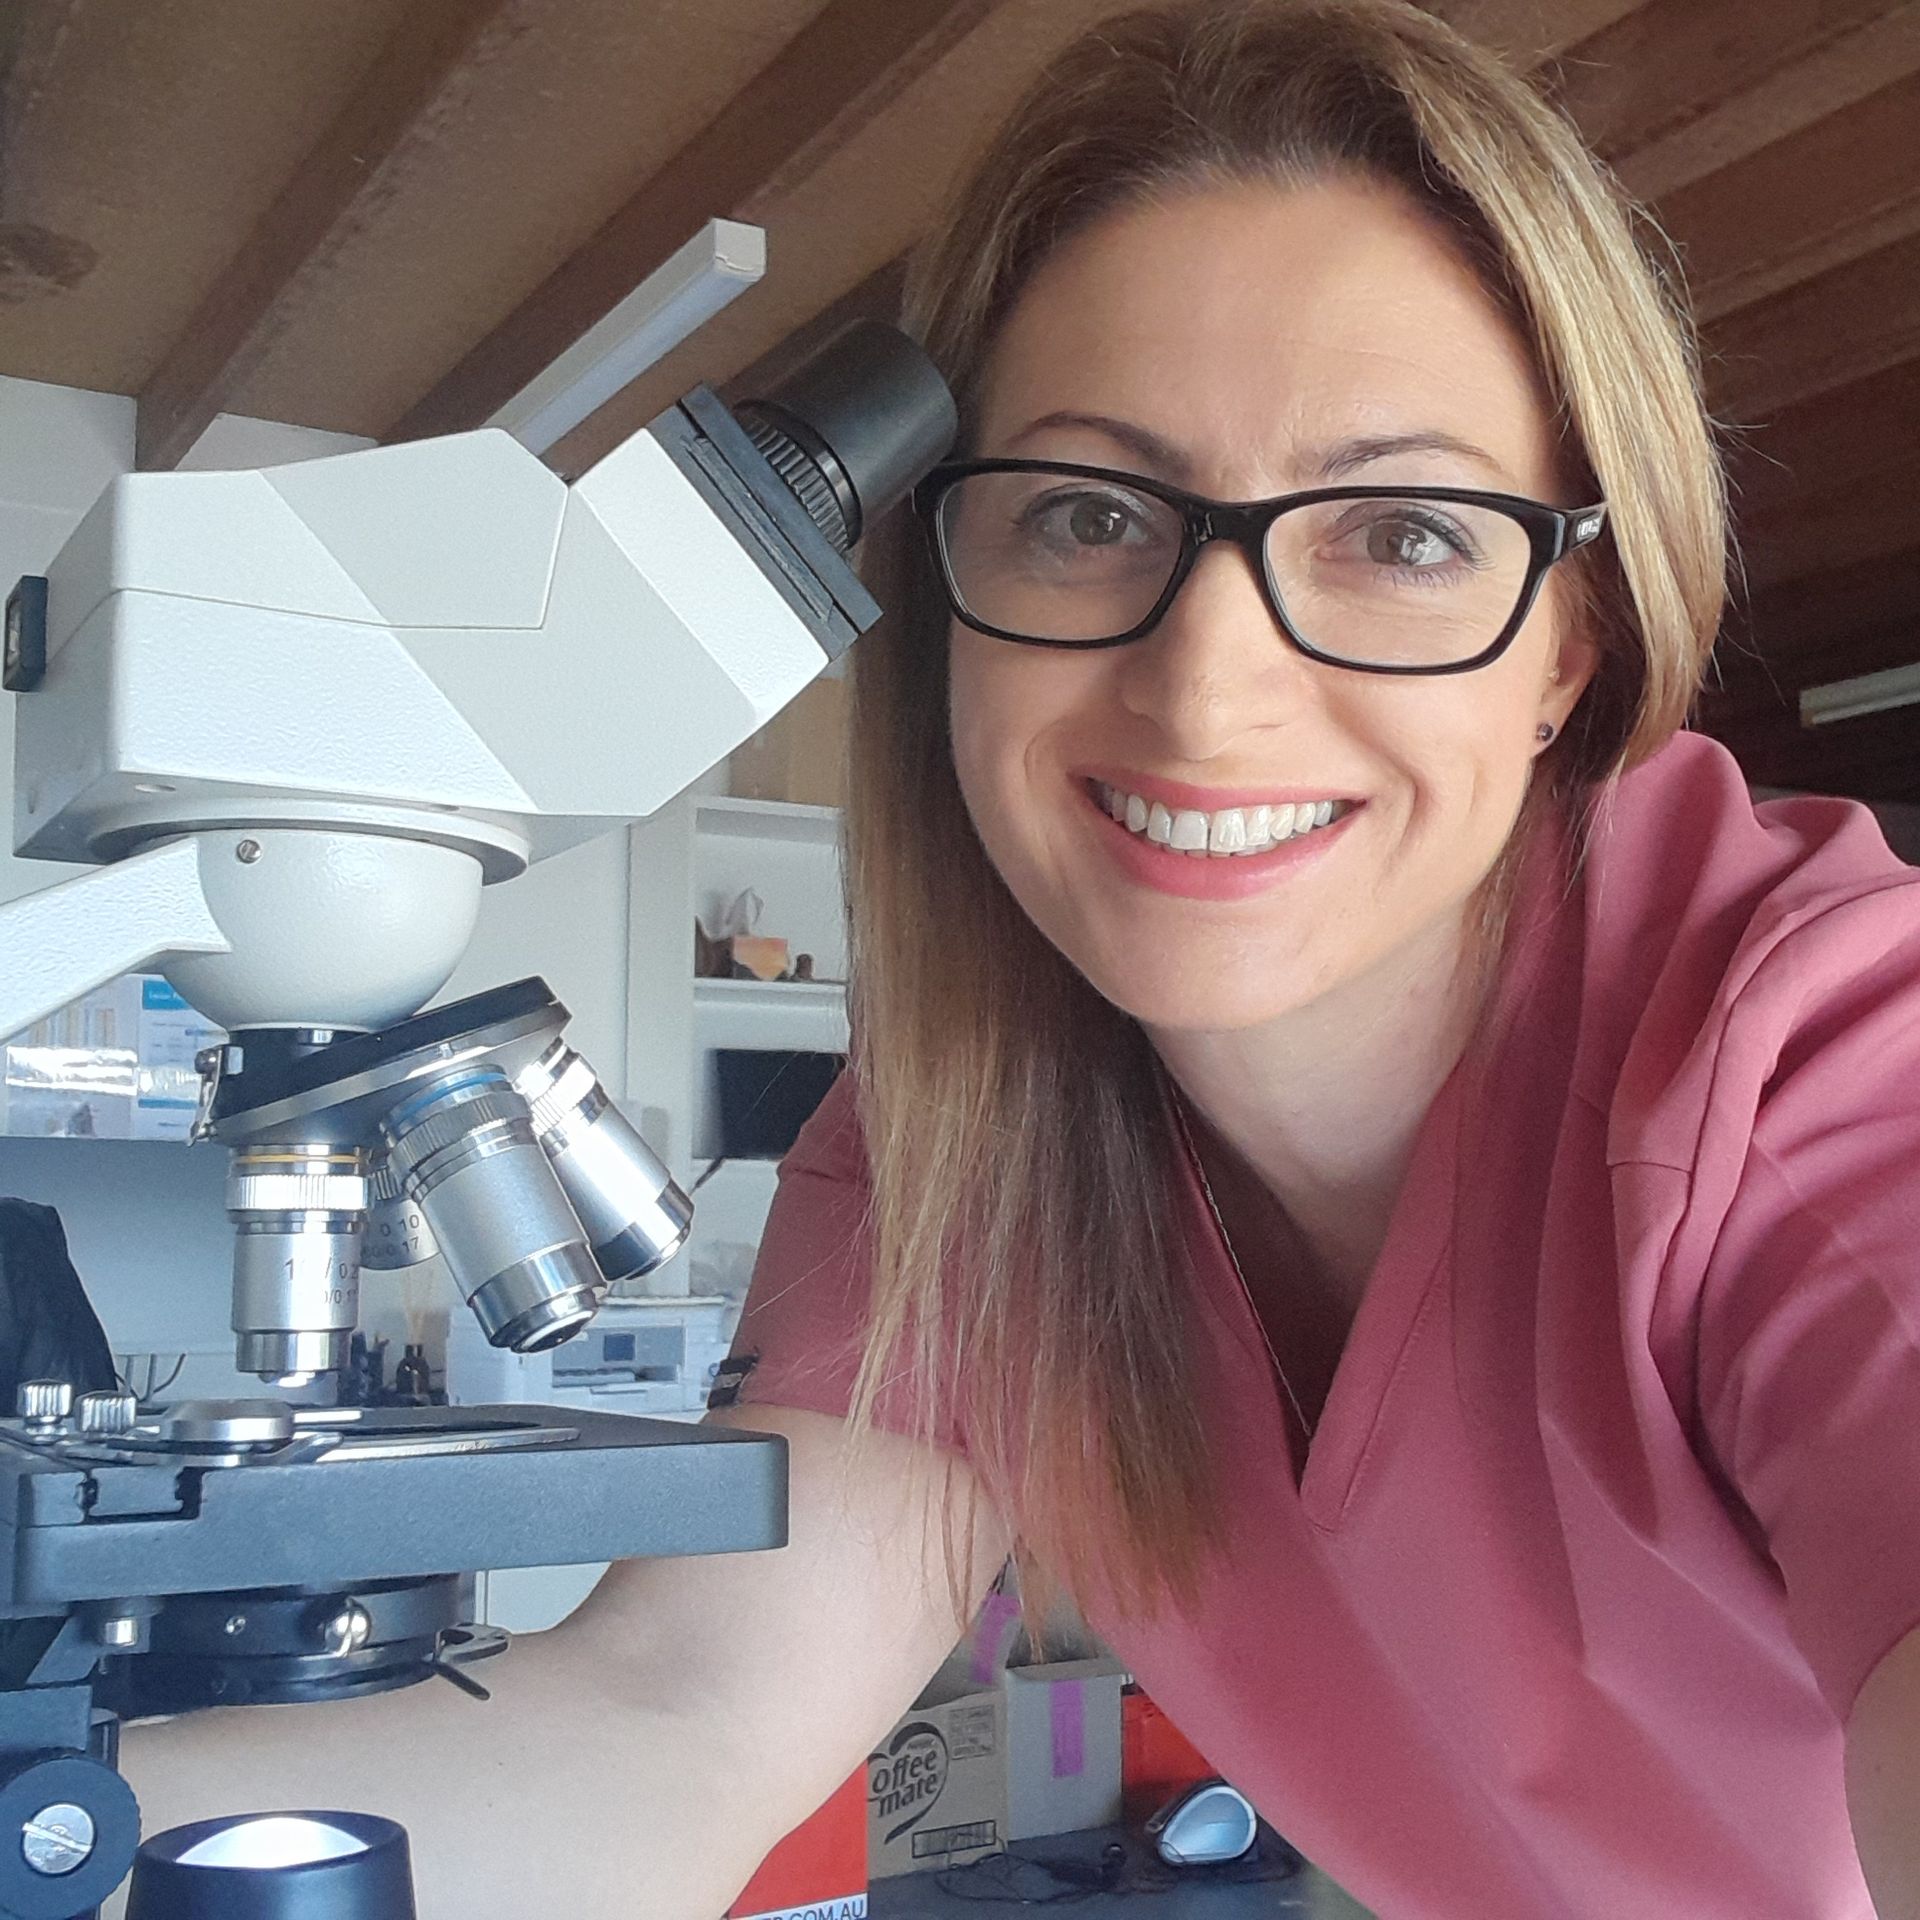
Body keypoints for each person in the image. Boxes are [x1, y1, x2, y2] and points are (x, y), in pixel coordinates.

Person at [121, 4, 1920, 1916]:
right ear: (942, 606)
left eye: (1401, 532)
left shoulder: (1818, 1056)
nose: (1209, 688)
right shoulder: (963, 1135)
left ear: (1572, 644)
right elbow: (666, 1723)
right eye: (1084, 514)